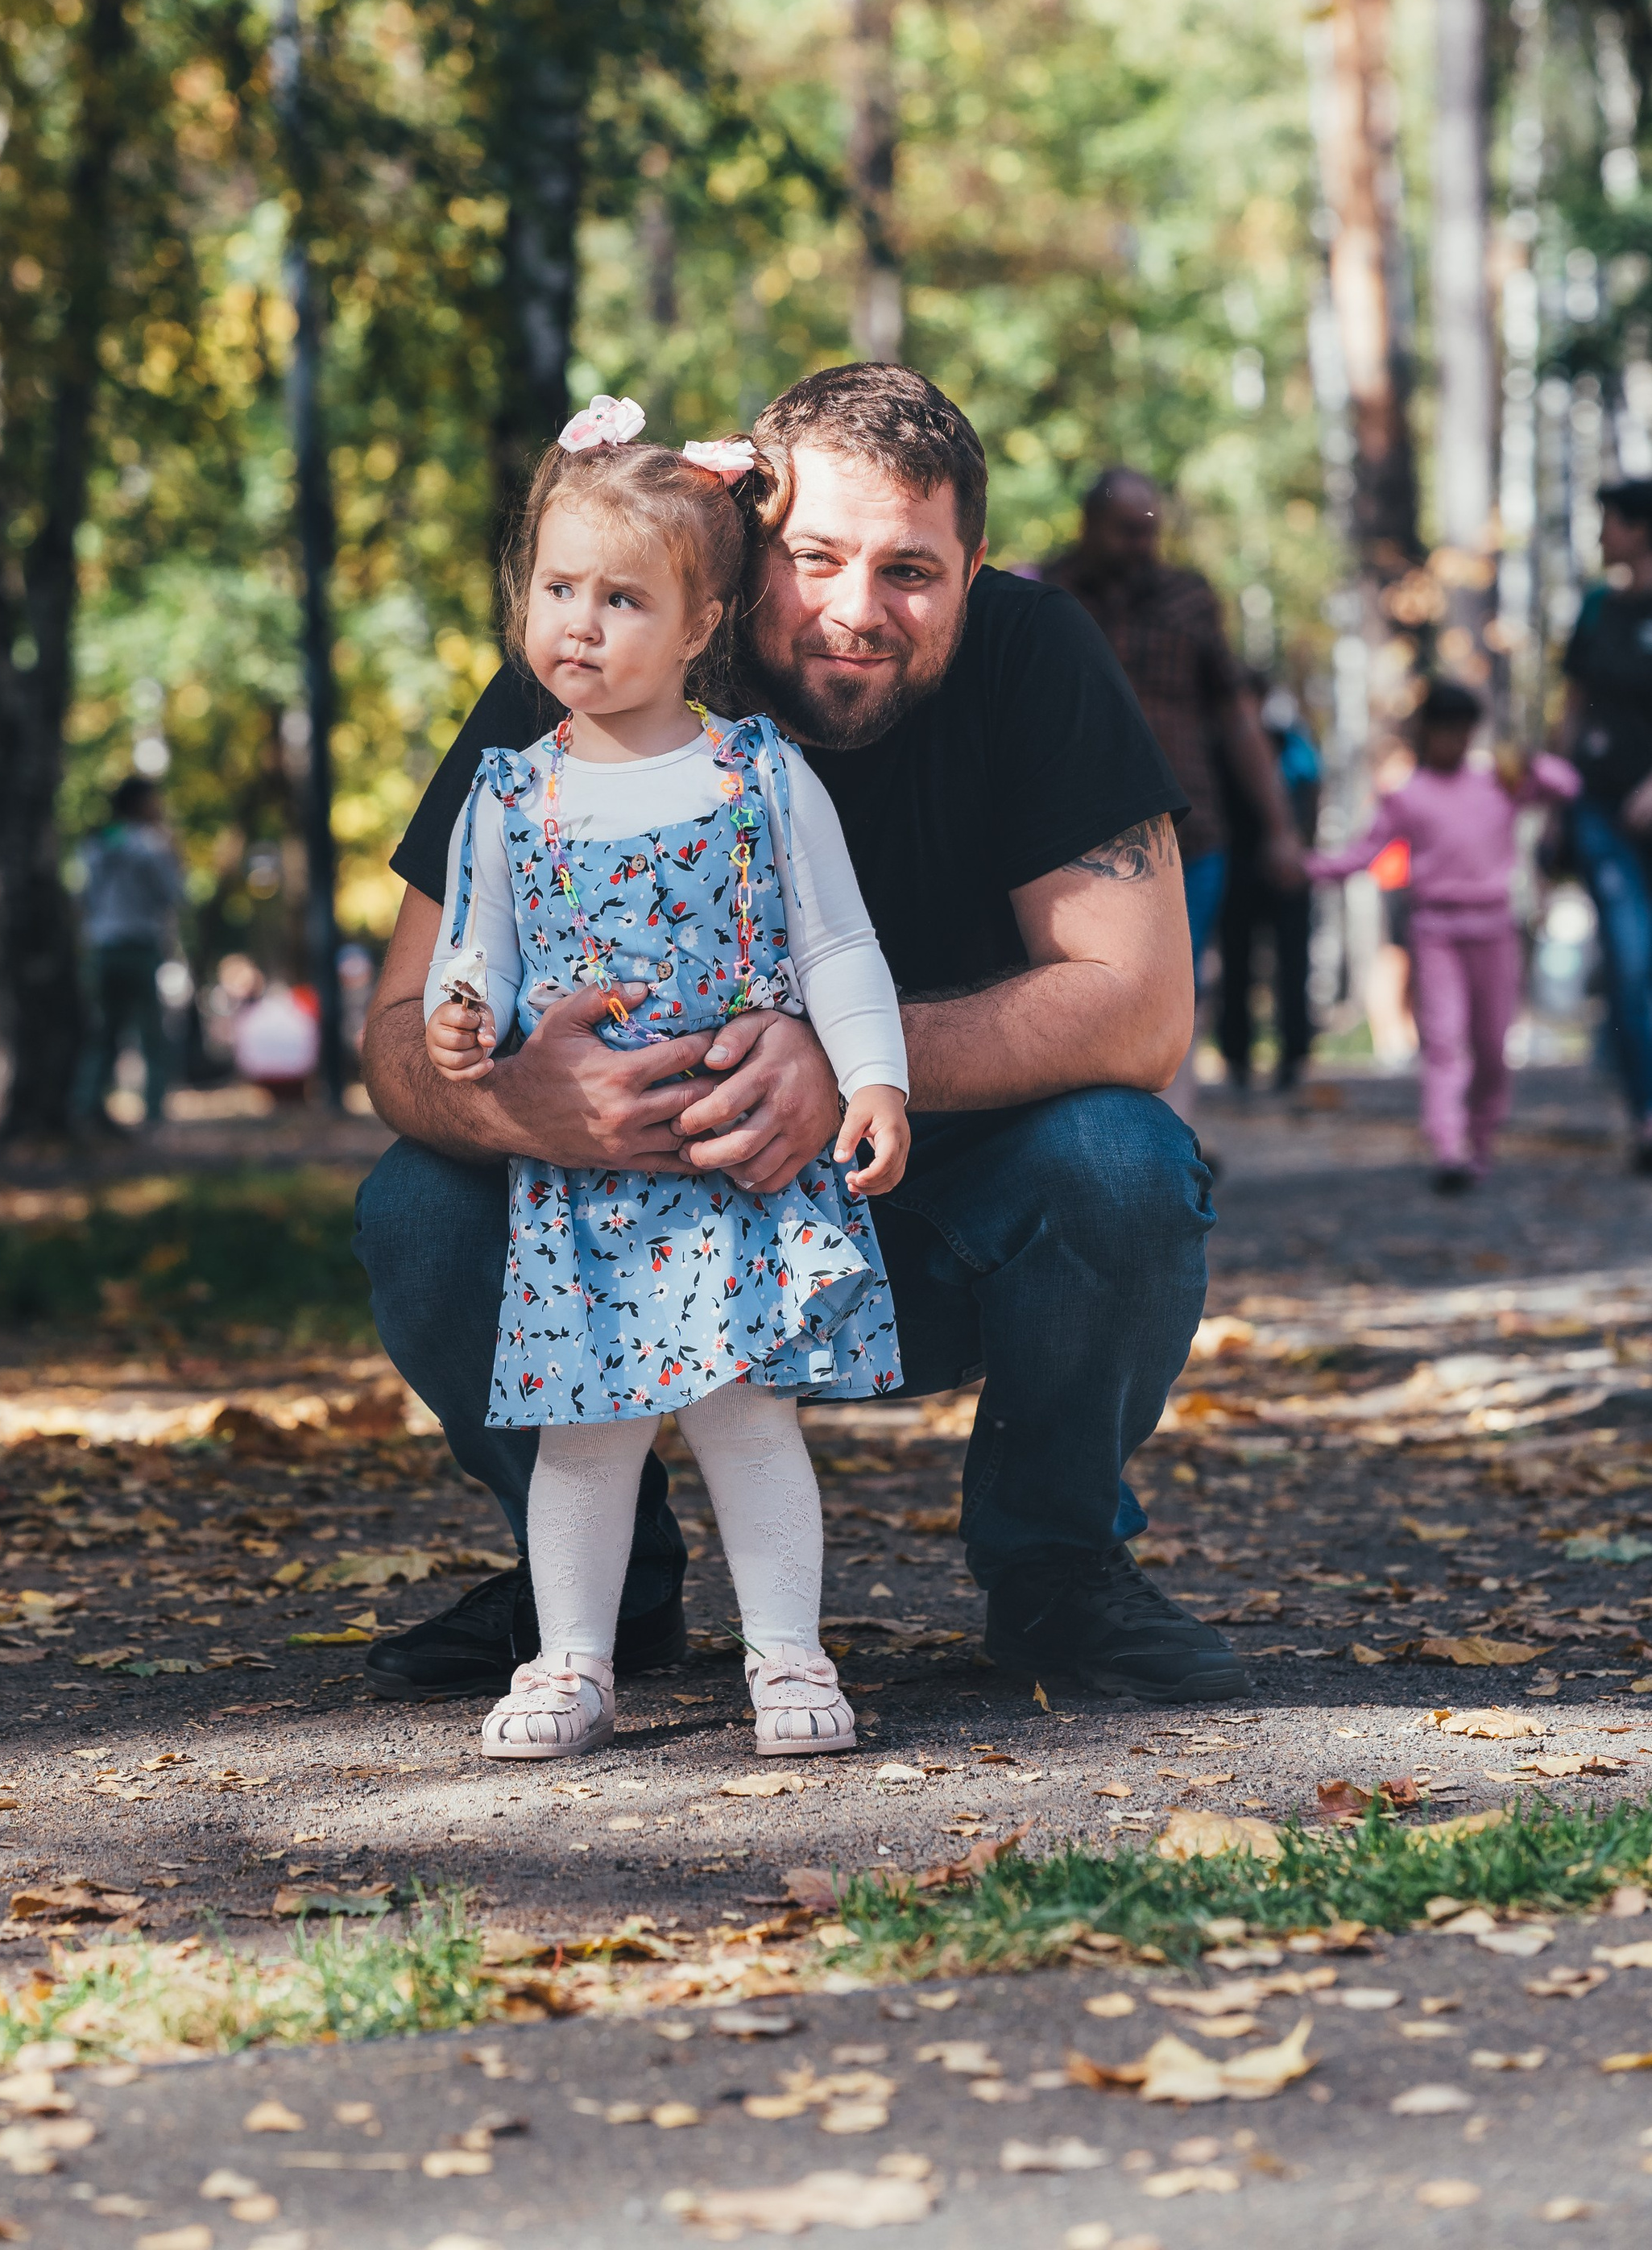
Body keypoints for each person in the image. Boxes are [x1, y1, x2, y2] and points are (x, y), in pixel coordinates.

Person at [358, 363, 1242, 1711]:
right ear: (736, 557)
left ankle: (1059, 1574)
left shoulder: (1036, 651)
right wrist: (521, 1103)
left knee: (1123, 1163)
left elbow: (1140, 1002)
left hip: (918, 1209)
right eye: (816, 558)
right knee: (420, 1207)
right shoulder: (599, 643)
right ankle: (599, 1596)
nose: (855, 609)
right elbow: (396, 1028)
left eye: (912, 572)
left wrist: (845, 1058)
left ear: (979, 563)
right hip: (620, 1219)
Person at [424, 398, 909, 1763]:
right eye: (557, 587)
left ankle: (789, 1657)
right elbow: (480, 948)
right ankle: (570, 1661)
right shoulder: (514, 793)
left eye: (623, 598)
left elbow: (836, 942)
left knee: (746, 1421)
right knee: (586, 1434)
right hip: (592, 1177)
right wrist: (465, 1019)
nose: (578, 624)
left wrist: (876, 1079)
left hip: (732, 1159)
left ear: (702, 625)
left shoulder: (758, 774)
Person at [1305, 682, 1576, 1192]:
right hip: (1437, 931)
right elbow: (1363, 853)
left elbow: (1568, 787)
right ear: (1426, 733)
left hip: (1495, 928)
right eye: (1444, 730)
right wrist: (1309, 868)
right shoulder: (1407, 795)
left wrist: (1532, 763)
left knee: (1493, 1048)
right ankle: (1447, 1146)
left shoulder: (1500, 781)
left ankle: (1481, 1139)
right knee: (1444, 1042)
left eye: (1463, 730)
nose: (1453, 740)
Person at [1042, 473, 1307, 984]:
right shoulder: (1048, 594)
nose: (1141, 543)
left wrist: (1280, 829)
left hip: (1188, 830)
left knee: (1173, 988)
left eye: (1149, 530)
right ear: (1089, 525)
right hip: (1073, 834)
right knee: (1085, 989)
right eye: (1125, 530)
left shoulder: (1189, 600)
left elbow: (1238, 716)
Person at [1561, 480, 1652, 1168]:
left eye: (1609, 523)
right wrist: (1557, 796)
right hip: (1599, 808)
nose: (1600, 536)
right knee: (1629, 960)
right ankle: (1644, 1117)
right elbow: (1572, 707)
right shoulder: (1596, 609)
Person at [1217, 682, 1322, 1094]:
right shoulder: (1219, 749)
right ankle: (1237, 1058)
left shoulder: (1290, 743)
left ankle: (1293, 1057)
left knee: (1292, 966)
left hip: (1286, 870)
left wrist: (1301, 851)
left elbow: (1312, 791)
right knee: (1236, 966)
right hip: (1237, 869)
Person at [73, 776, 184, 1130]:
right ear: (138, 804)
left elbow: (82, 896)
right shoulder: (149, 844)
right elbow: (173, 894)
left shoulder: (96, 844)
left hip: (102, 948)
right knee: (150, 1034)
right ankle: (153, 1113)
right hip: (139, 946)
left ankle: (87, 1105)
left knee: (104, 1032)